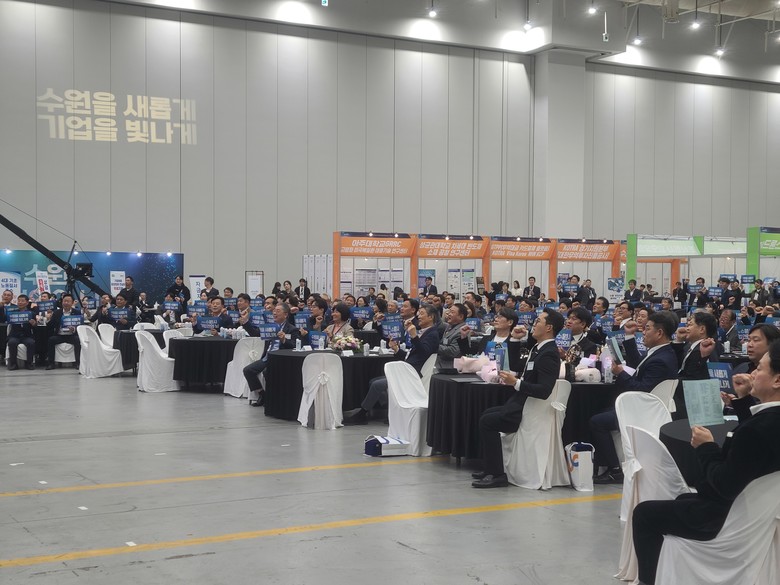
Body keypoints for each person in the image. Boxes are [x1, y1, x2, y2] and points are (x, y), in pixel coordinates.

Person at [632, 340, 780, 585]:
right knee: (682, 499)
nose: (753, 373)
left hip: (721, 519)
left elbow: (722, 485)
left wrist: (706, 447)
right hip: (750, 515)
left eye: (760, 369)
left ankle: (648, 580)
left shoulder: (757, 430)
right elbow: (754, 452)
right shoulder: (767, 422)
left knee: (644, 514)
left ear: (777, 380)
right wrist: (743, 401)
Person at [471, 308, 565, 488]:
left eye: (538, 321)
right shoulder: (538, 348)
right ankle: (490, 467)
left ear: (549, 328)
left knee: (488, 421)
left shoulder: (549, 353)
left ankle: (497, 474)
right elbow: (517, 366)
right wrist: (514, 340)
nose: (533, 324)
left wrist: (516, 383)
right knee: (486, 414)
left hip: (527, 409)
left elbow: (544, 390)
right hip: (519, 403)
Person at [590, 311, 679, 484]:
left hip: (644, 411)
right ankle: (602, 464)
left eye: (647, 329)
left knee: (597, 422)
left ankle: (615, 469)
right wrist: (629, 336)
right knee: (603, 410)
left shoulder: (661, 360)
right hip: (644, 406)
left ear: (659, 333)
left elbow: (641, 390)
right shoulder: (661, 353)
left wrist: (621, 374)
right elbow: (639, 366)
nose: (643, 332)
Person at [343, 304, 440, 425]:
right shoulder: (424, 332)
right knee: (373, 381)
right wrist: (396, 349)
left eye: (421, 313)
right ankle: (390, 410)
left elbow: (424, 352)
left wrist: (414, 336)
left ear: (431, 317)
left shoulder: (432, 334)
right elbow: (413, 356)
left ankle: (362, 414)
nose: (418, 316)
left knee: (377, 384)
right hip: (408, 369)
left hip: (413, 374)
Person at [243, 302, 301, 407]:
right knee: (248, 370)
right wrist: (245, 322)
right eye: (274, 311)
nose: (274, 313)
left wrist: (284, 340)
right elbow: (255, 333)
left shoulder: (292, 329)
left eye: (278, 311)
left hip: (280, 359)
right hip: (267, 357)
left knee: (267, 372)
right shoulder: (269, 327)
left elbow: (294, 345)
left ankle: (273, 397)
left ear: (285, 314)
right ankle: (262, 394)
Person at [671, 310, 718, 418]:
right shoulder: (690, 347)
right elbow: (678, 366)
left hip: (695, 406)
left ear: (702, 329)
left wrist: (670, 380)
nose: (686, 328)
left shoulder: (705, 349)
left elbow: (693, 378)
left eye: (690, 325)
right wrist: (678, 341)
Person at [45, 293, 81, 369]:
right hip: (60, 335)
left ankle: (78, 363)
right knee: (51, 340)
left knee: (78, 340)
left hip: (72, 335)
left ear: (72, 303)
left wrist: (74, 329)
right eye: (64, 301)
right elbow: (51, 325)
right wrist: (48, 319)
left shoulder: (77, 312)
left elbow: (80, 326)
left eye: (68, 301)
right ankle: (51, 363)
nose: (66, 303)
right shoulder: (57, 312)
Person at [6, 294, 37, 370]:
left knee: (31, 343)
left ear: (27, 303)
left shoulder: (31, 313)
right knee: (12, 342)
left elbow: (35, 327)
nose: (20, 302)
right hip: (15, 335)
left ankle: (29, 363)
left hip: (26, 335)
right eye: (19, 301)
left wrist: (34, 324)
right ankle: (13, 364)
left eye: (22, 301)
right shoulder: (12, 313)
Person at [435, 302, 466, 373]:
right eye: (449, 311)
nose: (448, 314)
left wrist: (435, 346)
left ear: (461, 317)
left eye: (452, 312)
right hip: (441, 361)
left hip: (450, 366)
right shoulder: (449, 326)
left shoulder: (462, 330)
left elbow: (454, 351)